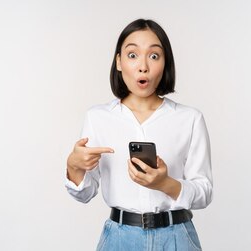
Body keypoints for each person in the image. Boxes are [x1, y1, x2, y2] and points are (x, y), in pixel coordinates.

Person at [65, 19, 213, 251]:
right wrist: (74, 167)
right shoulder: (98, 117)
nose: (143, 66)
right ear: (119, 62)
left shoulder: (189, 119)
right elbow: (84, 194)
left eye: (154, 56)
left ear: (165, 63)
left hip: (177, 238)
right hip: (119, 239)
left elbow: (204, 192)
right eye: (132, 55)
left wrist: (166, 184)